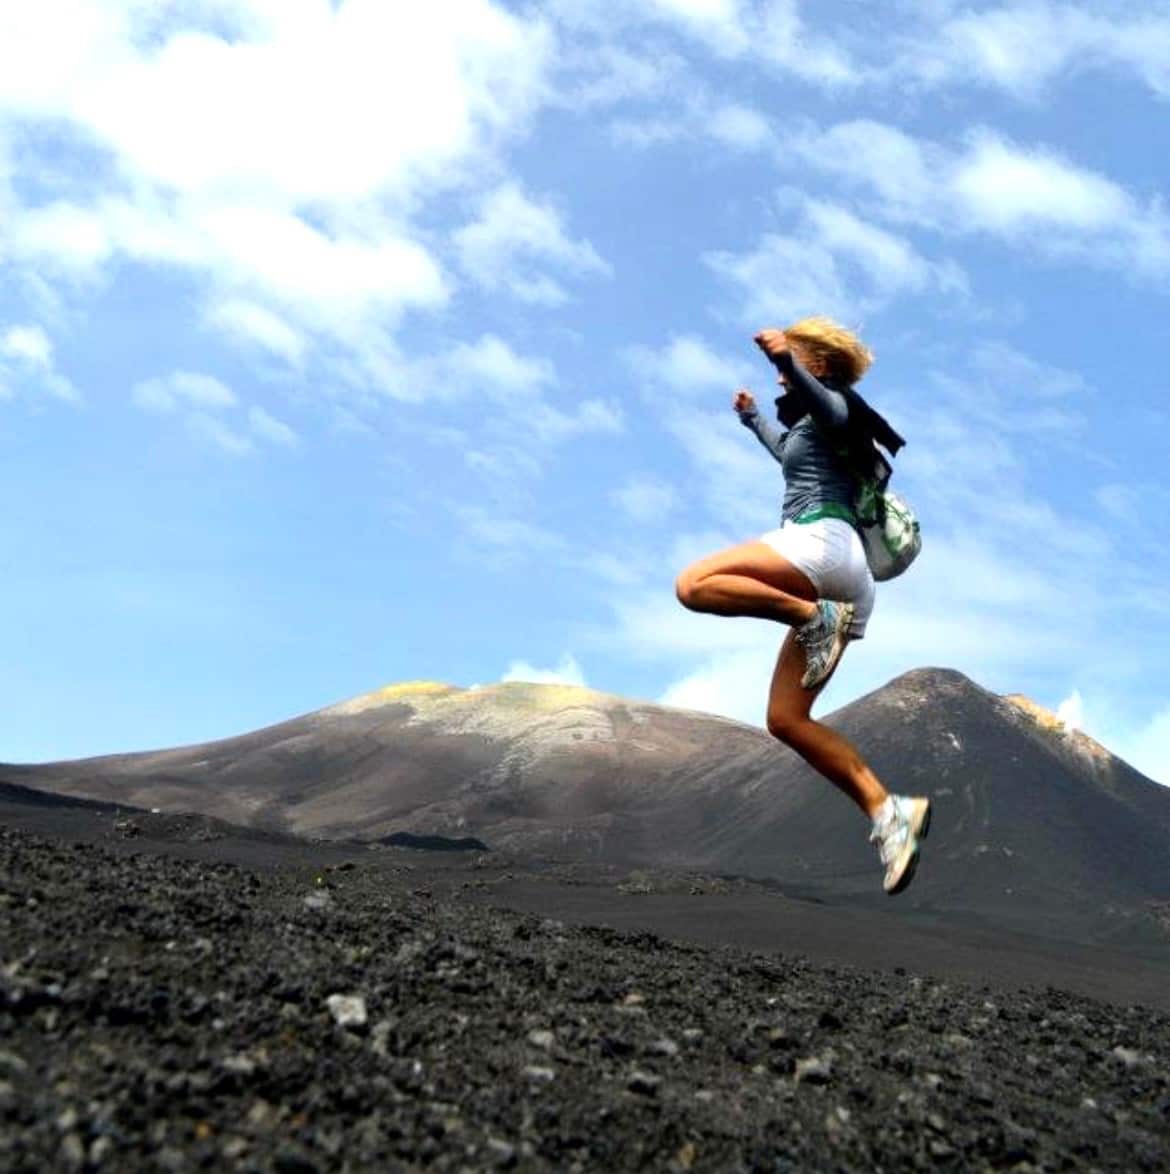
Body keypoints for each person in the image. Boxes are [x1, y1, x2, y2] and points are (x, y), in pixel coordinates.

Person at [674, 317, 930, 895]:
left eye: (792, 373)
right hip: (849, 581)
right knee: (786, 719)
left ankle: (809, 618)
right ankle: (890, 814)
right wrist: (750, 420)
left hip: (822, 546)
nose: (780, 385)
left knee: (693, 584)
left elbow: (832, 408)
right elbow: (785, 450)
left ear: (814, 367)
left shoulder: (838, 408)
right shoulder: (809, 431)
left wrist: (784, 358)